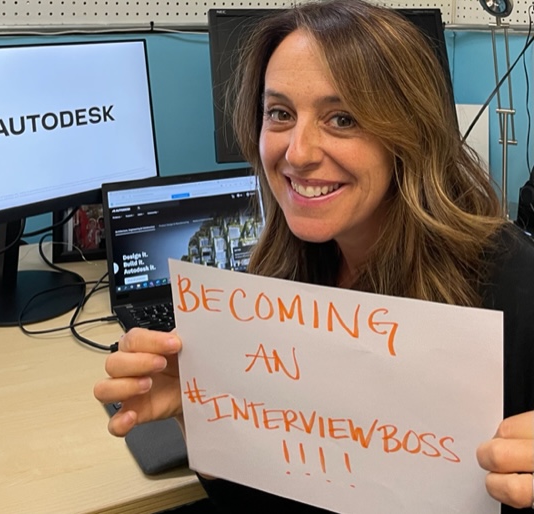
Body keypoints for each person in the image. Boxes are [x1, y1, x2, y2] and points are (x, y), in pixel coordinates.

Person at [93, 0, 534, 511]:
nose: (298, 152)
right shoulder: (282, 273)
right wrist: (203, 421)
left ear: (409, 134)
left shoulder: (511, 284)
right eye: (279, 113)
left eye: (342, 118)